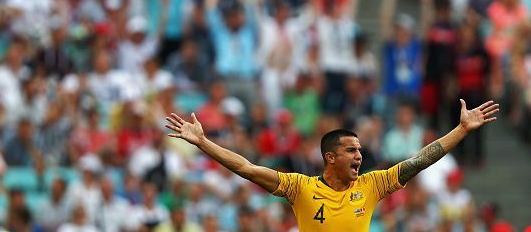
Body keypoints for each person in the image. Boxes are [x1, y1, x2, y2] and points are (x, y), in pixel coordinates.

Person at [165, 98, 499, 231]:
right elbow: (247, 169)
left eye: (360, 150)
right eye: (351, 151)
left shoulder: (371, 185)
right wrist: (204, 143)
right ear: (330, 157)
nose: (359, 156)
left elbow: (420, 160)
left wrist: (461, 129)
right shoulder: (301, 187)